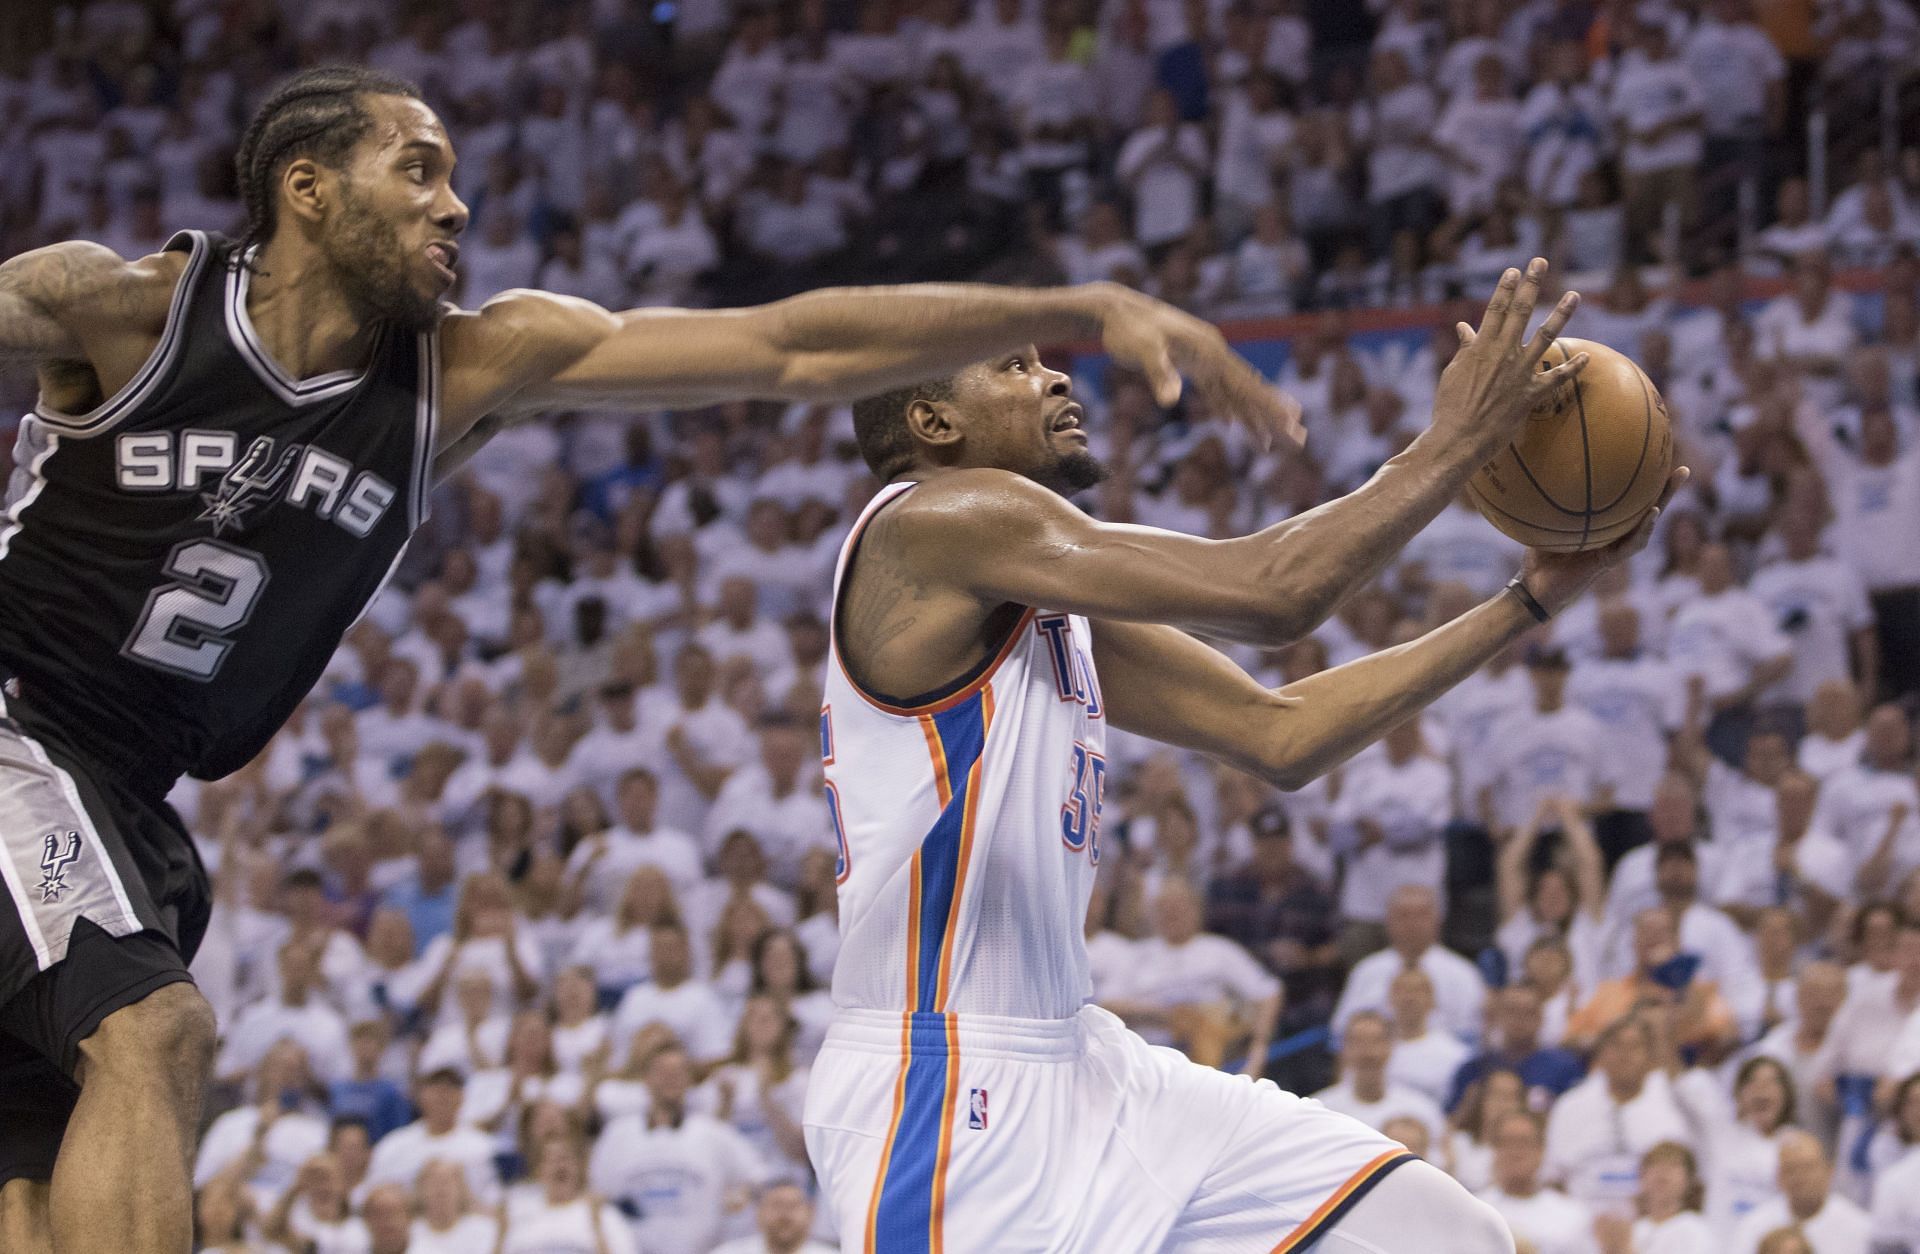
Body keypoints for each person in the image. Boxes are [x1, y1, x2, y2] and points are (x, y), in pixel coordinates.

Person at [0, 64, 1293, 1253]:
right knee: (154, 1031)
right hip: (20, 731)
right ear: (306, 187)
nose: (454, 204)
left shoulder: (470, 367)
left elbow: (787, 345)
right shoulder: (122, 312)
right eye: (418, 168)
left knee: (45, 1172)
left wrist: (1084, 303)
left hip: (135, 789)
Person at [805, 258, 1686, 1251]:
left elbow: (1282, 732)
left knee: (1440, 1234)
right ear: (932, 426)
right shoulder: (939, 520)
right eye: (1011, 368)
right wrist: (1456, 440)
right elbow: (1275, 591)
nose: (1056, 379)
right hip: (943, 1088)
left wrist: (1525, 602)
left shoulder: (1028, 599)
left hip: (1083, 1062)